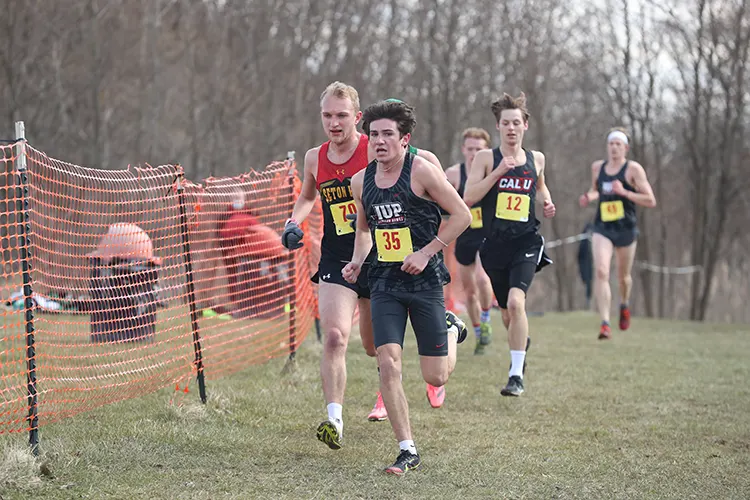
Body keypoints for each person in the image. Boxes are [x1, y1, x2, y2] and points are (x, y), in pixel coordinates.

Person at [343, 99, 471, 476]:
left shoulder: (422, 172)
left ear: (404, 139)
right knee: (387, 360)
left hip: (425, 278)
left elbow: (461, 215)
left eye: (387, 135)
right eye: (373, 135)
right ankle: (407, 449)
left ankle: (450, 328)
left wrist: (426, 251)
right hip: (384, 281)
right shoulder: (359, 182)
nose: (379, 141)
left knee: (435, 376)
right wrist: (356, 260)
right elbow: (365, 229)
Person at [281, 81, 378, 449]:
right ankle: (334, 420)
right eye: (327, 115)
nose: (334, 123)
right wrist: (293, 222)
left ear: (358, 117)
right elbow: (307, 196)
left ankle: (387, 388)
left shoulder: (374, 149)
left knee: (373, 347)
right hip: (337, 256)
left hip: (376, 255)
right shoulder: (313, 158)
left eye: (341, 115)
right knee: (336, 337)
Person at [463, 92, 555, 397]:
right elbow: (469, 197)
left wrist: (548, 202)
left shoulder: (536, 158)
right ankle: (520, 343)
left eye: (517, 122)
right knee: (507, 312)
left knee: (517, 303)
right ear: (499, 127)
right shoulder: (486, 159)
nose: (512, 128)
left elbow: (540, 184)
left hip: (526, 241)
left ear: (525, 125)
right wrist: (499, 173)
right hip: (494, 247)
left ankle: (516, 375)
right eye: (506, 123)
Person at [578, 128, 656, 339]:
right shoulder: (598, 168)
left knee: (623, 277)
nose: (613, 148)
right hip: (603, 227)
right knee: (602, 271)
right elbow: (595, 189)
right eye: (611, 144)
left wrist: (625, 192)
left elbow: (650, 200)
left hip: (626, 228)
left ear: (625, 148)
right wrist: (590, 197)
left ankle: (624, 304)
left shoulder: (633, 170)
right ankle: (605, 323)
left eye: (618, 144)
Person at [444, 128, 495, 355]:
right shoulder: (454, 174)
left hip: (487, 234)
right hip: (464, 235)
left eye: (479, 149)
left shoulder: (493, 172)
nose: (474, 153)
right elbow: (439, 198)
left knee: (484, 280)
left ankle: (485, 318)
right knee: (469, 290)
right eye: (471, 148)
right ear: (464, 149)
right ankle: (478, 332)